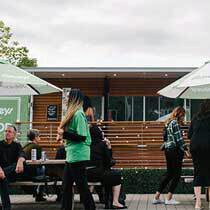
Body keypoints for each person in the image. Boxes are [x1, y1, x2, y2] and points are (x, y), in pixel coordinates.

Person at [56, 88, 95, 210]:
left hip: (78, 155)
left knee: (81, 187)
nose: (67, 100)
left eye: (69, 97)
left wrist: (64, 134)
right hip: (72, 155)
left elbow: (82, 137)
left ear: (72, 99)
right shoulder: (74, 114)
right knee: (67, 186)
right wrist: (63, 134)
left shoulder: (78, 114)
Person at [87, 124, 127, 209]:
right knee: (117, 175)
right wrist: (109, 147)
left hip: (86, 175)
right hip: (98, 174)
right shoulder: (102, 144)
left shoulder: (86, 144)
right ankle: (115, 201)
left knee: (110, 175)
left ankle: (107, 200)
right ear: (98, 133)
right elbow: (108, 162)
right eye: (101, 131)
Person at [153, 106, 186, 205]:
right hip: (175, 151)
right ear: (180, 114)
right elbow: (179, 140)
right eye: (183, 115)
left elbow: (166, 138)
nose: (183, 118)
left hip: (168, 150)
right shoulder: (175, 123)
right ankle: (169, 198)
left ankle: (156, 197)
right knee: (177, 175)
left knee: (169, 174)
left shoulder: (167, 123)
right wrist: (187, 151)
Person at [188, 99, 210, 209]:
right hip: (208, 147)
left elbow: (189, 135)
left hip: (195, 147)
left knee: (197, 172)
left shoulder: (195, 117)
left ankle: (198, 203)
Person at [0, 125, 26, 210]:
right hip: (1, 175)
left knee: (16, 164)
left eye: (9, 131)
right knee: (2, 179)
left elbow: (22, 154)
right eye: (6, 131)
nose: (7, 133)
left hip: (12, 174)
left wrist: (20, 160)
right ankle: (7, 208)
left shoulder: (17, 145)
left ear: (14, 135)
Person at [23, 129, 46, 202]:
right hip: (31, 173)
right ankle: (39, 194)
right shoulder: (36, 147)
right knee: (46, 171)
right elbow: (41, 162)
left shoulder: (25, 146)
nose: (40, 138)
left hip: (24, 173)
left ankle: (38, 193)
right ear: (35, 137)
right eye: (39, 136)